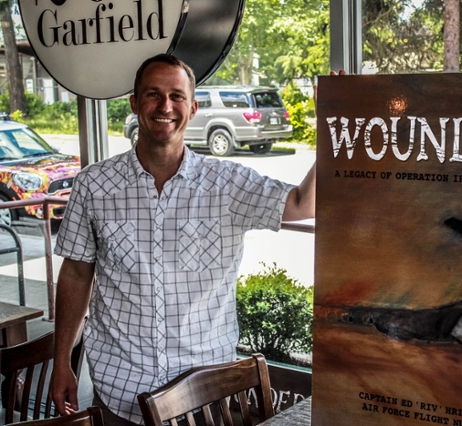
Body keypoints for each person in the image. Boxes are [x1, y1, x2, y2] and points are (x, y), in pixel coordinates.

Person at [48, 53, 316, 425]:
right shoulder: (93, 185)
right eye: (153, 95)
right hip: (120, 391)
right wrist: (62, 362)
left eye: (176, 96)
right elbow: (76, 274)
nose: (165, 106)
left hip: (204, 397)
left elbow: (304, 204)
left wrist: (334, 123)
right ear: (134, 103)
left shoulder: (228, 184)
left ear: (192, 108)